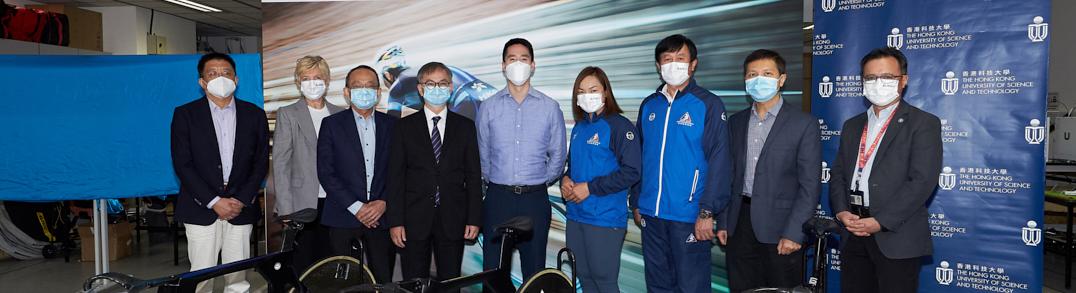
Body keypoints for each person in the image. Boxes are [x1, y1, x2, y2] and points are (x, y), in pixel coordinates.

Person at [828, 47, 941, 293]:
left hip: (896, 236)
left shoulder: (923, 123)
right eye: (870, 78)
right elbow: (837, 173)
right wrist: (840, 211)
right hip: (853, 230)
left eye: (887, 77)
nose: (878, 84)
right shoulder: (852, 125)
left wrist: (880, 221)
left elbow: (922, 180)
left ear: (904, 81)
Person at [629, 34, 732, 292]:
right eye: (667, 59)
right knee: (658, 285)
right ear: (658, 65)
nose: (673, 64)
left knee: (692, 286)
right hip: (652, 216)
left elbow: (720, 161)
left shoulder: (708, 104)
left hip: (689, 216)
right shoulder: (649, 105)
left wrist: (707, 212)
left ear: (693, 64)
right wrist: (637, 200)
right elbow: (640, 157)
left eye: (680, 58)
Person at [716, 49, 821, 292]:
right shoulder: (736, 122)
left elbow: (809, 185)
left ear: (781, 79)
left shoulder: (803, 123)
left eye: (766, 73)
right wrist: (723, 221)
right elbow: (728, 176)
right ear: (745, 80)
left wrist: (795, 232)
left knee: (780, 289)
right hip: (739, 222)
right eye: (752, 74)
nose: (758, 79)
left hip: (781, 226)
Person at [171, 52, 269, 293]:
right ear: (202, 82)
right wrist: (214, 201)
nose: (220, 78)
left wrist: (241, 199)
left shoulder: (254, 114)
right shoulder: (185, 115)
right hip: (200, 207)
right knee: (201, 277)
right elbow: (183, 164)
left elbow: (260, 162)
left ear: (236, 79)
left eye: (225, 73)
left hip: (240, 207)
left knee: (238, 277)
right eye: (212, 74)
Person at [476, 38, 567, 281]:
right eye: (512, 59)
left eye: (524, 59)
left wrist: (538, 181)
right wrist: (495, 180)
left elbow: (558, 156)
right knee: (492, 271)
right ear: (503, 65)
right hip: (498, 198)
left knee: (534, 270)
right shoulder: (488, 107)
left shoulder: (549, 107)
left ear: (533, 65)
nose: (518, 64)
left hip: (534, 200)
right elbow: (482, 154)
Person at [386, 62, 483, 285]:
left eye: (442, 84)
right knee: (414, 283)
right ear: (420, 89)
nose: (436, 89)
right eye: (430, 84)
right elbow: (395, 178)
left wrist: (474, 218)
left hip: (453, 219)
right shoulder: (403, 127)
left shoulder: (465, 127)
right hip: (413, 220)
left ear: (450, 88)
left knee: (451, 283)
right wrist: (396, 221)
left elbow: (473, 175)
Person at [559, 66, 640, 293]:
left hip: (604, 219)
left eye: (593, 89)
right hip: (576, 216)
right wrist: (565, 180)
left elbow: (632, 171)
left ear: (605, 91)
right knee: (584, 278)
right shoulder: (579, 127)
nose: (587, 95)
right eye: (581, 91)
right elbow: (572, 167)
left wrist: (591, 188)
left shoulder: (619, 126)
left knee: (604, 281)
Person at [316, 65, 398, 283]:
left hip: (382, 216)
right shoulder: (331, 125)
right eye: (357, 86)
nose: (364, 91)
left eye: (370, 86)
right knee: (345, 281)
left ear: (379, 92)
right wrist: (357, 207)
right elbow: (326, 172)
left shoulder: (393, 125)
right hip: (343, 215)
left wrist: (384, 202)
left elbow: (400, 171)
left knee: (383, 278)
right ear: (346, 92)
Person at [272, 55, 345, 272]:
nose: (312, 83)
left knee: (333, 260)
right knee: (304, 263)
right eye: (306, 78)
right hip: (302, 204)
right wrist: (285, 209)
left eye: (318, 77)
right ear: (298, 82)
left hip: (336, 202)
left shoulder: (340, 113)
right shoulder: (288, 114)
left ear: (327, 80)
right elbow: (281, 162)